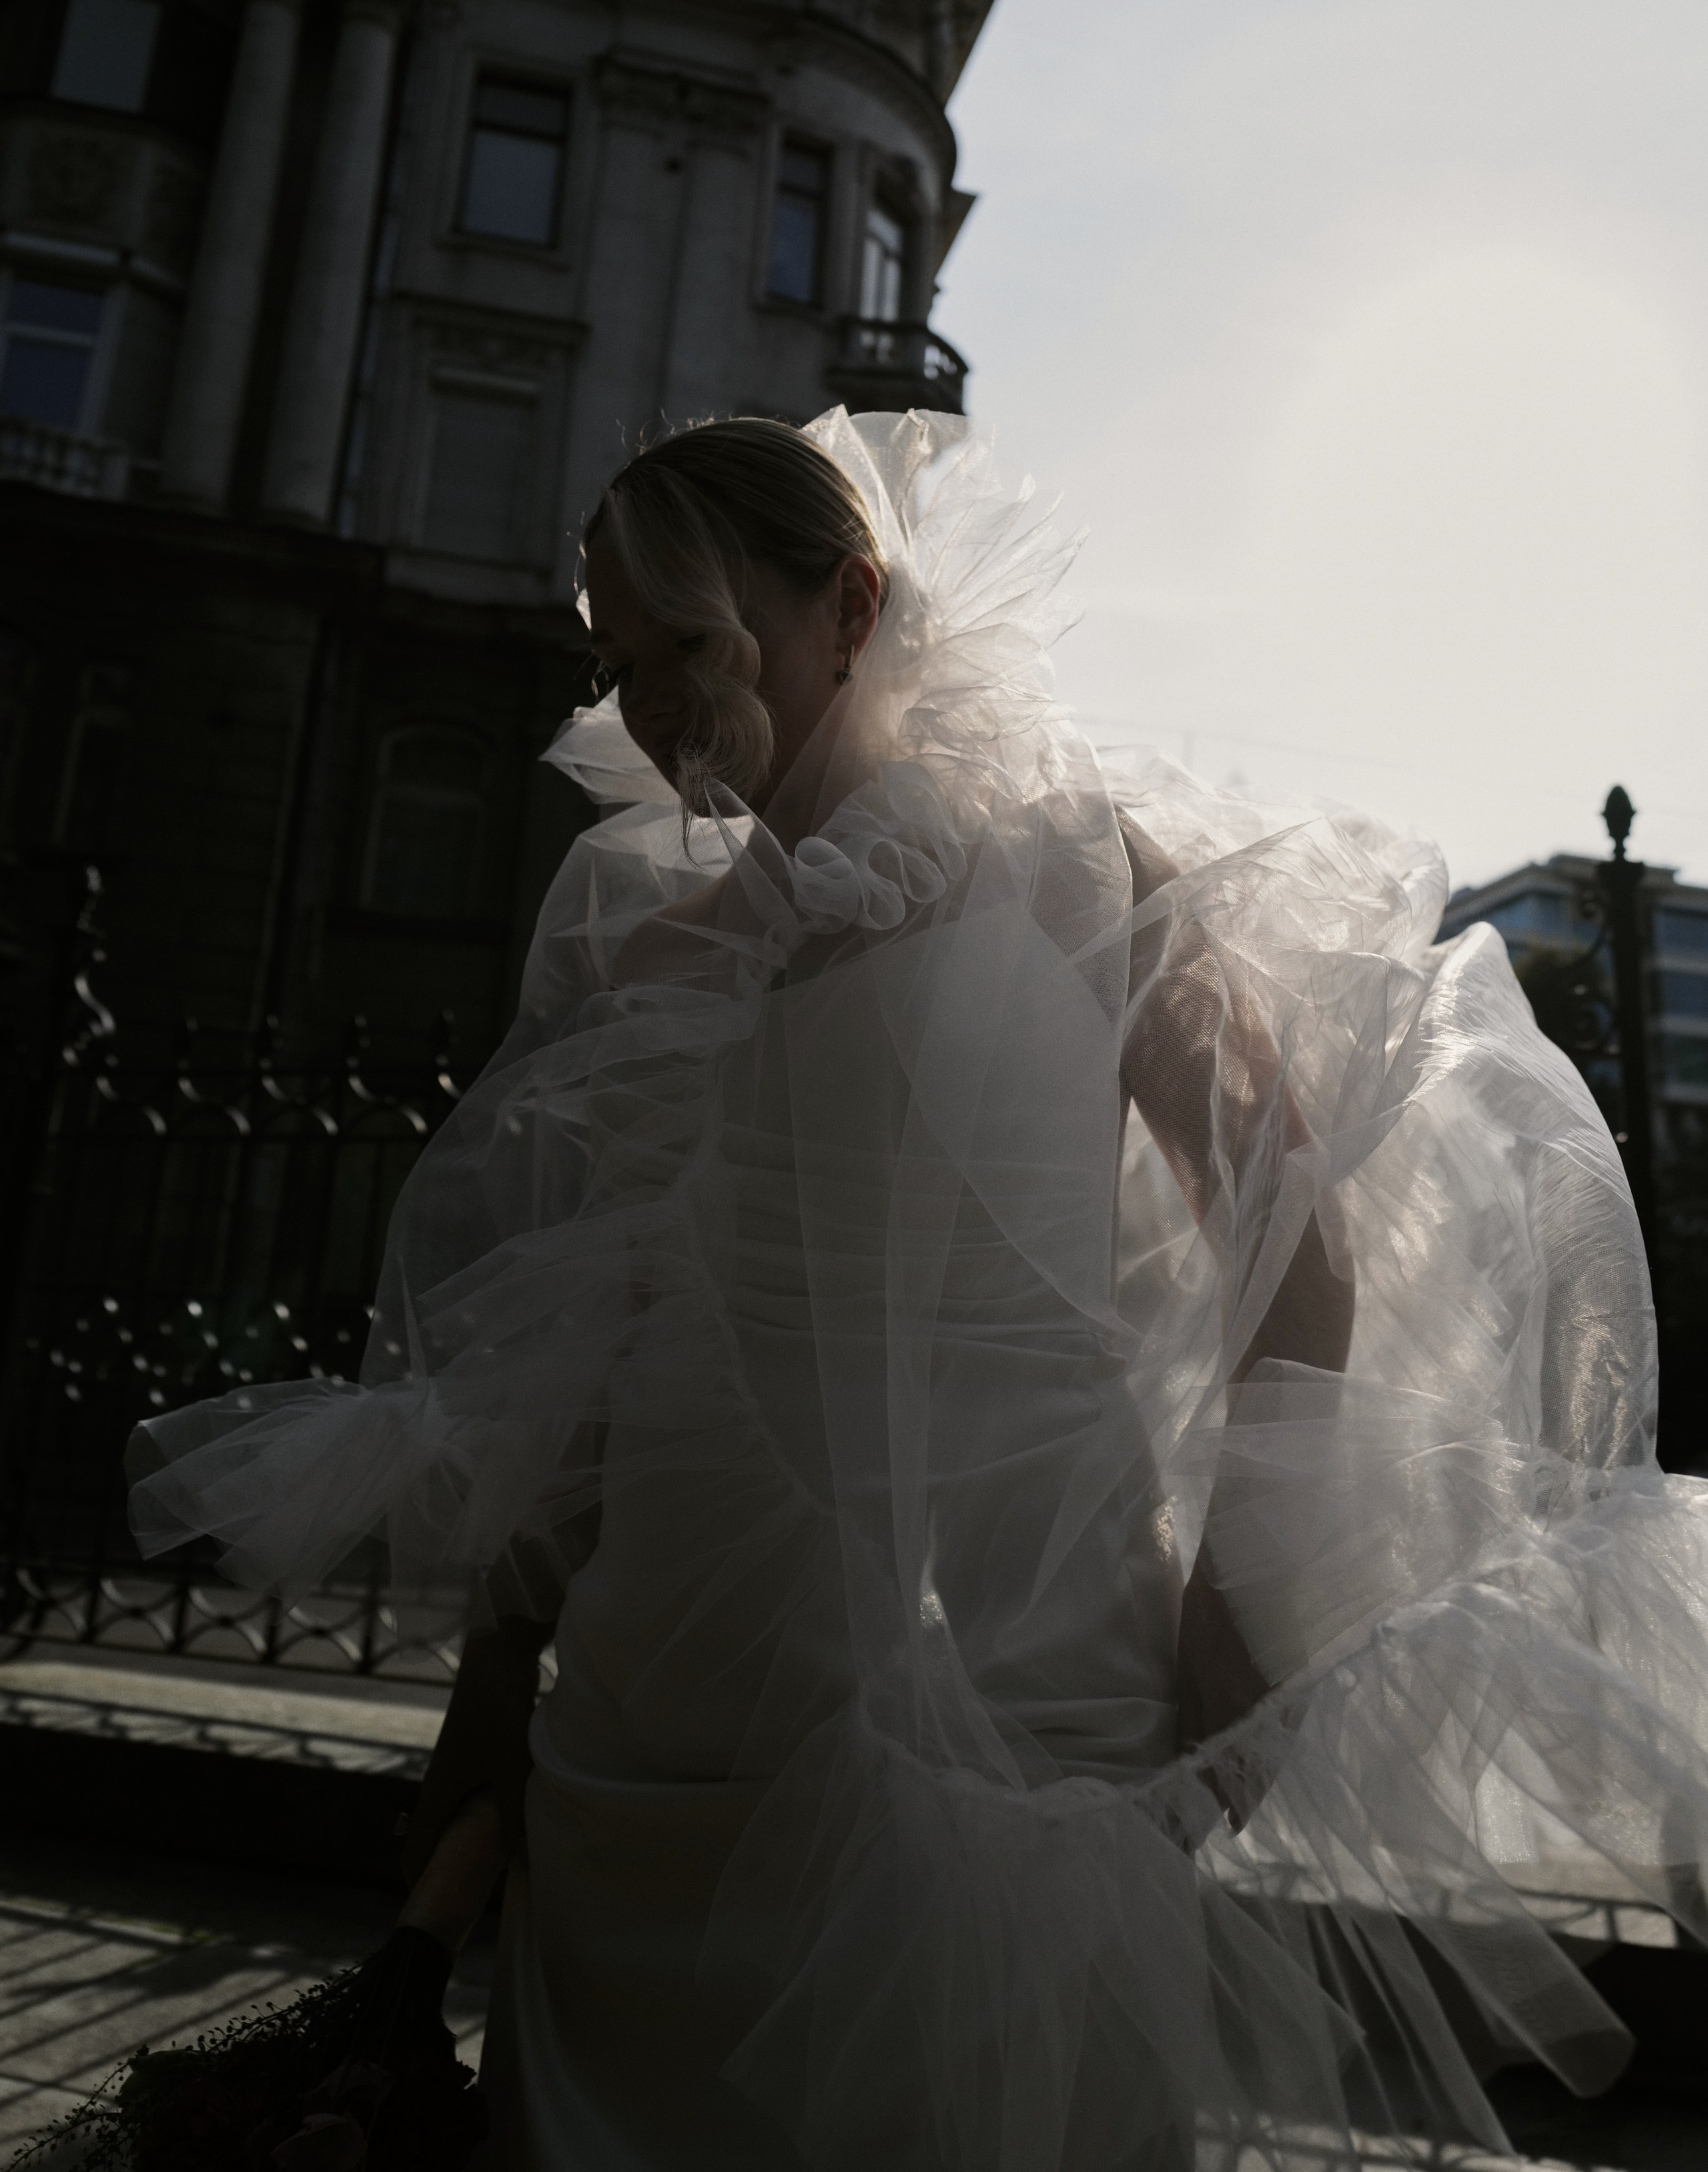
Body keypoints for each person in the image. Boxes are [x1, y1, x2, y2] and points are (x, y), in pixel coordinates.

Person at [131, 410, 1708, 2172]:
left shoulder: (1086, 866)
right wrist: (496, 1674)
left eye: (691, 646)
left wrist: (1244, 1604)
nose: (648, 704)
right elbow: (589, 1330)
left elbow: (1297, 1249)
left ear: (850, 606)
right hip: (672, 1654)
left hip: (1026, 1630)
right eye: (616, 662)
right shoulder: (646, 944)